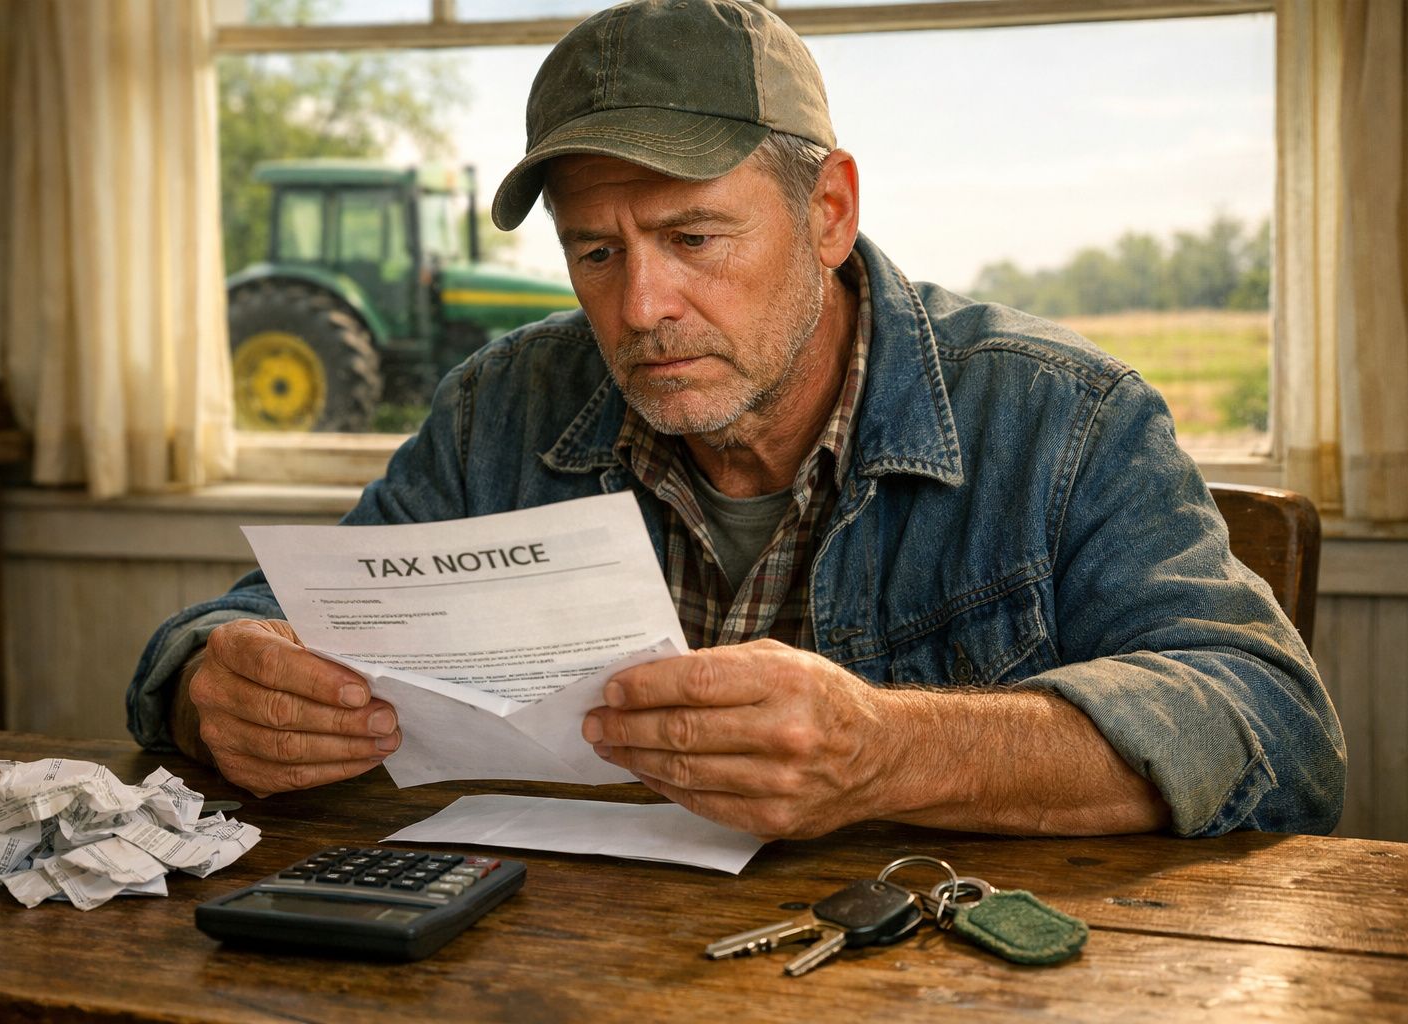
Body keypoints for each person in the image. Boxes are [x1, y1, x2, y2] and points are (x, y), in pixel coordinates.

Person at [129, 0, 1344, 840]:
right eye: (594, 252)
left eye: (694, 238)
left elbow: (1277, 731)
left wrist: (889, 751)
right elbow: (242, 631)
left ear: (826, 210)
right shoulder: (502, 404)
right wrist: (211, 687)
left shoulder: (1066, 419)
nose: (642, 306)